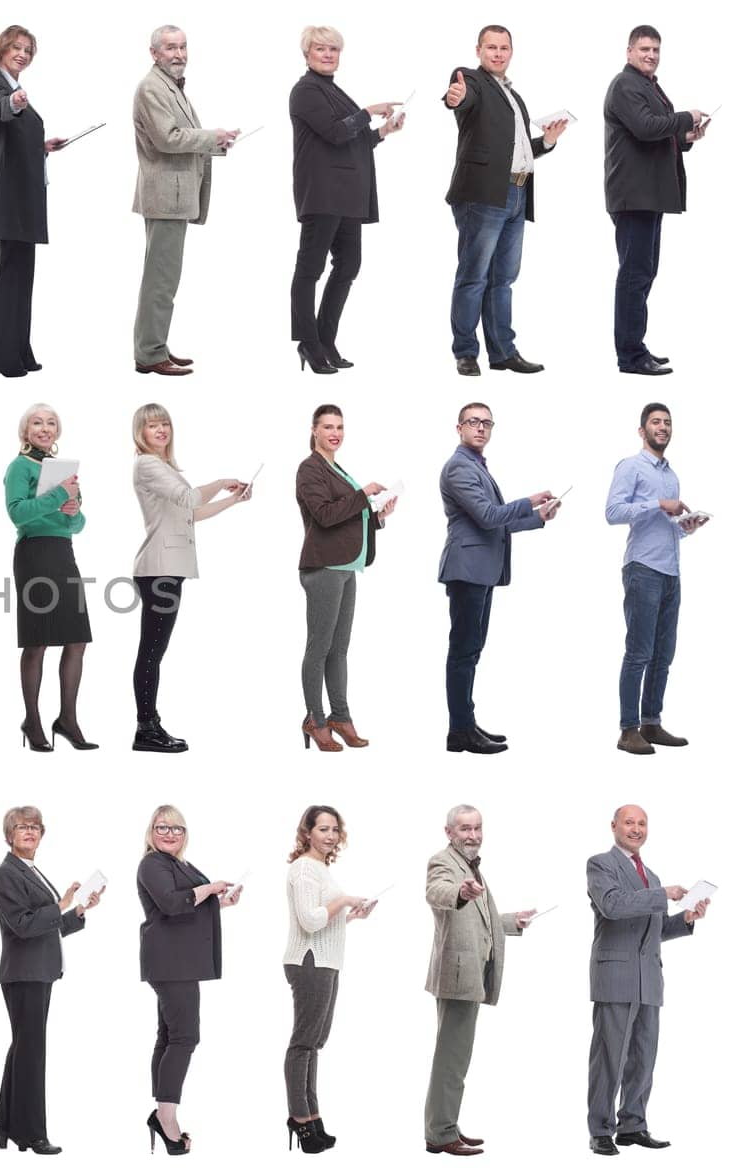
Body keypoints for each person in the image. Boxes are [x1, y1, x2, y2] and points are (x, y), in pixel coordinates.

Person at [442, 25, 567, 377]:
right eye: (491, 47)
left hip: (516, 191)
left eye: (504, 48)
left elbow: (516, 150)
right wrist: (455, 96)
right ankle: (466, 352)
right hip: (482, 195)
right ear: (479, 50)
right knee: (473, 276)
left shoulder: (513, 95)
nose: (498, 53)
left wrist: (547, 141)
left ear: (512, 52)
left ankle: (502, 352)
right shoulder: (471, 80)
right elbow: (460, 98)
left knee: (503, 279)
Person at [586, 804, 708, 1155]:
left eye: (642, 823)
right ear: (614, 826)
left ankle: (633, 1125)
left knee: (643, 1057)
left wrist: (684, 917)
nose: (636, 829)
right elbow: (613, 905)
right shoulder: (600, 864)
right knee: (609, 1057)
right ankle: (600, 1130)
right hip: (615, 975)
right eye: (629, 822)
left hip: (649, 978)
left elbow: (653, 930)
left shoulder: (651, 876)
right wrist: (662, 896)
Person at [438, 402, 556, 754]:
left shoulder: (477, 466)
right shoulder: (459, 467)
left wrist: (539, 517)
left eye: (487, 423)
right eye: (473, 422)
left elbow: (495, 522)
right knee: (463, 652)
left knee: (471, 651)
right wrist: (528, 500)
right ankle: (459, 730)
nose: (481, 428)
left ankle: (466, 724)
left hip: (482, 570)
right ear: (458, 427)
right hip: (467, 569)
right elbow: (489, 517)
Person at [130, 403, 249, 752]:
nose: (161, 430)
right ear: (141, 432)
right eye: (152, 425)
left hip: (170, 568)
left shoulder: (164, 467)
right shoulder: (147, 464)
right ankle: (146, 727)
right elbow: (189, 496)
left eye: (165, 423)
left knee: (155, 651)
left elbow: (191, 512)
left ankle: (149, 725)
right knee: (151, 652)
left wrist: (234, 500)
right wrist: (223, 481)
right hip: (159, 569)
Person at [288, 25, 404, 374]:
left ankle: (325, 339)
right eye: (321, 49)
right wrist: (369, 112)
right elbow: (337, 133)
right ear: (307, 53)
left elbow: (353, 140)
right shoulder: (305, 91)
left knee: (348, 266)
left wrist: (382, 132)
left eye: (333, 50)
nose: (327, 55)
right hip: (323, 194)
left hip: (349, 197)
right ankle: (308, 342)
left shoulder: (333, 91)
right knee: (310, 269)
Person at [422, 805, 535, 1156]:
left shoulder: (471, 867)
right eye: (465, 829)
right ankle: (440, 1134)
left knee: (457, 1057)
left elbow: (481, 919)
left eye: (477, 828)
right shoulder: (444, 862)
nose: (472, 835)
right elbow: (437, 892)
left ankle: (447, 1126)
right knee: (451, 1059)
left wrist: (513, 921)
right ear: (449, 832)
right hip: (457, 976)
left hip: (472, 974)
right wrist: (460, 893)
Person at [0, 805, 103, 1156]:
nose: (30, 832)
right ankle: (31, 1134)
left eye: (35, 827)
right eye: (22, 827)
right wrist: (61, 905)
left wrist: (78, 911)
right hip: (23, 974)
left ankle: (8, 1124)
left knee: (24, 1049)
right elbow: (23, 926)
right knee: (30, 1053)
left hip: (39, 972)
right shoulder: (6, 874)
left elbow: (47, 929)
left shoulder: (30, 870)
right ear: (9, 835)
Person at [131, 25, 237, 376]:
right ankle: (149, 354)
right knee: (160, 280)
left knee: (165, 278)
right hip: (165, 197)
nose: (178, 54)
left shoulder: (171, 87)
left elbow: (183, 138)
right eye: (170, 48)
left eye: (183, 47)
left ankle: (155, 346)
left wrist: (218, 143)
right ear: (155, 53)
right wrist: (211, 136)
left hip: (175, 196)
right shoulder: (151, 87)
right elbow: (168, 138)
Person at [137, 805, 241, 1155]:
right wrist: (210, 888)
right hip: (171, 962)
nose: (170, 833)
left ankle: (160, 1112)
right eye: (162, 827)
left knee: (169, 1036)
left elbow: (188, 907)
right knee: (185, 1036)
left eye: (177, 828)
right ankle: (167, 1118)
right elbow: (170, 904)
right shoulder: (152, 863)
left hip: (177, 961)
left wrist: (220, 903)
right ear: (151, 831)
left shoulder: (179, 864)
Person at [604, 26, 706, 376]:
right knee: (634, 276)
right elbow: (647, 127)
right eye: (645, 48)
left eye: (656, 50)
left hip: (649, 195)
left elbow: (659, 130)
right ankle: (630, 357)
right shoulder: (625, 85)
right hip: (634, 196)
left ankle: (636, 347)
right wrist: (686, 117)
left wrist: (686, 136)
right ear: (629, 50)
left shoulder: (647, 86)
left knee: (644, 273)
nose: (651, 55)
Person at [296, 403, 395, 752]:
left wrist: (377, 516)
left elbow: (347, 517)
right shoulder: (309, 469)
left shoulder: (336, 468)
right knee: (319, 647)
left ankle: (341, 716)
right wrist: (362, 494)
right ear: (314, 430)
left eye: (339, 426)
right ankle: (315, 719)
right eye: (327, 427)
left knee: (339, 649)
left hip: (347, 567)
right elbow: (324, 516)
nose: (335, 433)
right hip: (323, 568)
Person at [606, 403, 704, 755]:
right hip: (643, 569)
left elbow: (667, 528)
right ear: (642, 430)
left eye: (667, 422)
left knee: (664, 654)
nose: (662, 427)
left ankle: (651, 722)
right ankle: (627, 729)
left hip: (671, 572)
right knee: (639, 653)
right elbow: (612, 512)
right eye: (655, 422)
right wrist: (658, 503)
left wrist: (686, 529)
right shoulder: (631, 466)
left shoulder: (671, 474)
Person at [283, 804, 374, 1154]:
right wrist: (345, 900)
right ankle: (299, 1119)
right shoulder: (304, 868)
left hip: (326, 961)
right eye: (323, 829)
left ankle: (313, 1117)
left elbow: (324, 921)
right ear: (307, 832)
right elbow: (310, 920)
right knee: (303, 1043)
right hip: (309, 962)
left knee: (315, 1044)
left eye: (335, 829)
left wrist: (352, 916)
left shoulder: (320, 867)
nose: (330, 835)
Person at [0, 25, 65, 378]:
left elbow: (14, 136)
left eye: (28, 49)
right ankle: (0, 357)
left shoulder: (13, 85)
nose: (23, 54)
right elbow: (0, 110)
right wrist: (13, 103)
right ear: (1, 49)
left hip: (23, 197)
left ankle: (18, 348)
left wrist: (42, 146)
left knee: (22, 277)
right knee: (10, 276)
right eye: (16, 47)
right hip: (11, 198)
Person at [5, 404, 93, 752]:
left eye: (51, 422)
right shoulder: (19, 466)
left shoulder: (62, 471)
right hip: (34, 555)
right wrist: (59, 496)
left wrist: (73, 510)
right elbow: (18, 514)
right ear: (25, 430)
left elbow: (78, 524)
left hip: (63, 553)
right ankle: (33, 720)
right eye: (37, 422)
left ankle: (67, 719)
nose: (45, 428)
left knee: (77, 639)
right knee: (37, 640)